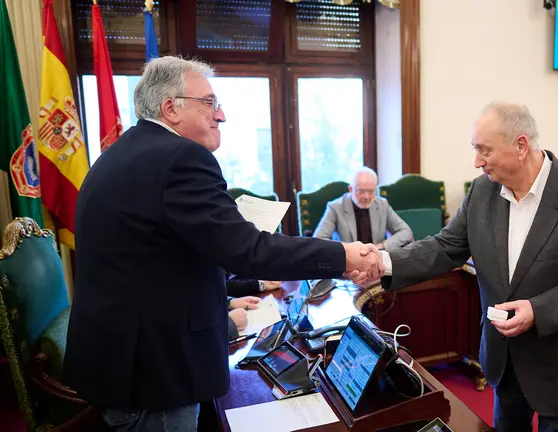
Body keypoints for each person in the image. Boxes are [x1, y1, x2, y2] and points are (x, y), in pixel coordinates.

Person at [62, 56, 382, 431]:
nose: (222, 115)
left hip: (124, 360)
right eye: (210, 103)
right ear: (171, 108)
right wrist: (342, 255)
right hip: (153, 375)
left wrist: (224, 301)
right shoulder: (179, 157)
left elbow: (159, 259)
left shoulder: (128, 151)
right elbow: (247, 250)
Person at [375, 103, 558, 432]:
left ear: (521, 146)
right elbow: (445, 246)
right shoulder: (482, 191)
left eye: (484, 150)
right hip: (503, 360)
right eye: (475, 149)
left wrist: (538, 311)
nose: (477, 161)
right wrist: (383, 262)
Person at [313, 167, 414, 250]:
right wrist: (352, 249)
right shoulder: (335, 207)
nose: (366, 197)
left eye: (371, 192)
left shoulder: (382, 204)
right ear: (350, 189)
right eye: (360, 191)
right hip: (348, 262)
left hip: (376, 259)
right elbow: (318, 239)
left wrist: (382, 246)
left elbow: (406, 231)